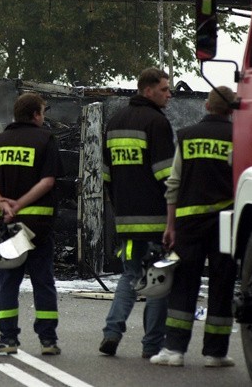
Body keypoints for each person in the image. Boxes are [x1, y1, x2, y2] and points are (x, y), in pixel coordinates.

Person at [150, 86, 237, 367]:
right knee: (222, 282)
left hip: (188, 222)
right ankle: (216, 353)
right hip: (227, 222)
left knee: (185, 283)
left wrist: (170, 225)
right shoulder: (238, 137)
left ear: (206, 107)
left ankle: (174, 350)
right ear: (231, 110)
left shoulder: (187, 136)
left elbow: (173, 183)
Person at [0, 92, 63, 356]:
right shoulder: (45, 140)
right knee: (43, 281)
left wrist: (5, 205)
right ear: (36, 115)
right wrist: (21, 204)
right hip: (37, 227)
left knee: (8, 282)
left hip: (6, 229)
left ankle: (7, 339)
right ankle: (48, 340)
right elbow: (48, 181)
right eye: (43, 112)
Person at [100, 67, 174, 359]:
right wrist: (174, 216)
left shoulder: (115, 121)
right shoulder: (156, 122)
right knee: (157, 281)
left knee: (130, 276)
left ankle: (112, 333)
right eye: (164, 89)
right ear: (148, 90)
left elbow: (106, 175)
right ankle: (152, 346)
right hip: (155, 219)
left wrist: (118, 209)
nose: (169, 94)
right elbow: (166, 175)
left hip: (126, 221)